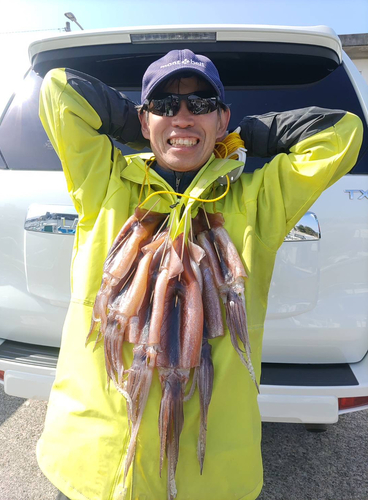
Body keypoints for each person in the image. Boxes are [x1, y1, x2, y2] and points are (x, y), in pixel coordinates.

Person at [37, 49, 363, 500]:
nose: (183, 116)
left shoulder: (256, 201)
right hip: (94, 467)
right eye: (166, 104)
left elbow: (342, 132)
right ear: (144, 116)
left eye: (201, 105)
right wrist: (146, 125)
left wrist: (245, 135)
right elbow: (59, 90)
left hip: (209, 481)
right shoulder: (107, 185)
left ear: (222, 115)